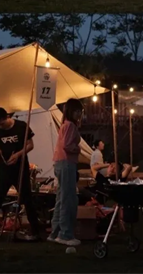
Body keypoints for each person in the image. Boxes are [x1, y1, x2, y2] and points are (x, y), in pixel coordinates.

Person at [0, 107, 40, 242]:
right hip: (3, 169)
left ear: (6, 117)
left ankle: (36, 231)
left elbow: (30, 145)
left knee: (27, 199)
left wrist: (18, 155)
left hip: (20, 168)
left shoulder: (21, 126)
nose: (0, 127)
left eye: (1, 123)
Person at [49, 99, 84, 247]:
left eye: (80, 111)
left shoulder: (65, 125)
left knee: (61, 198)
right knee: (68, 199)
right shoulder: (70, 126)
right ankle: (65, 234)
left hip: (60, 162)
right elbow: (68, 146)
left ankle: (55, 232)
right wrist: (78, 149)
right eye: (77, 111)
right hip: (67, 163)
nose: (79, 114)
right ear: (71, 111)